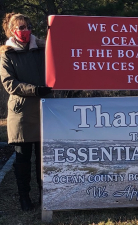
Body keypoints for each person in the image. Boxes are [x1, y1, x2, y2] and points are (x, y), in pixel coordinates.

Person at [0, 13, 52, 211]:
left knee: (43, 158)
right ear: (12, 30)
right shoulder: (7, 54)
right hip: (21, 113)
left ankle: (44, 195)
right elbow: (9, 84)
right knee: (22, 158)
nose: (24, 31)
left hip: (45, 110)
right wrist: (35, 90)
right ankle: (24, 197)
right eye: (20, 27)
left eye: (27, 26)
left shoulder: (43, 48)